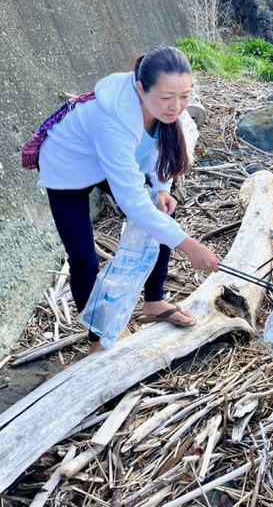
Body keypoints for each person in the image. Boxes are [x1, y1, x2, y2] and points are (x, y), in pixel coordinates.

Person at [36, 45, 219, 353]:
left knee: (162, 209)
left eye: (184, 96)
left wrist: (162, 187)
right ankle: (96, 341)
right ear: (140, 88)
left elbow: (159, 148)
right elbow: (132, 201)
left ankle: (154, 301)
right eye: (166, 97)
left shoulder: (163, 107)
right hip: (68, 168)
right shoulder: (112, 121)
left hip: (108, 162)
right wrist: (188, 246)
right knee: (84, 260)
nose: (176, 106)